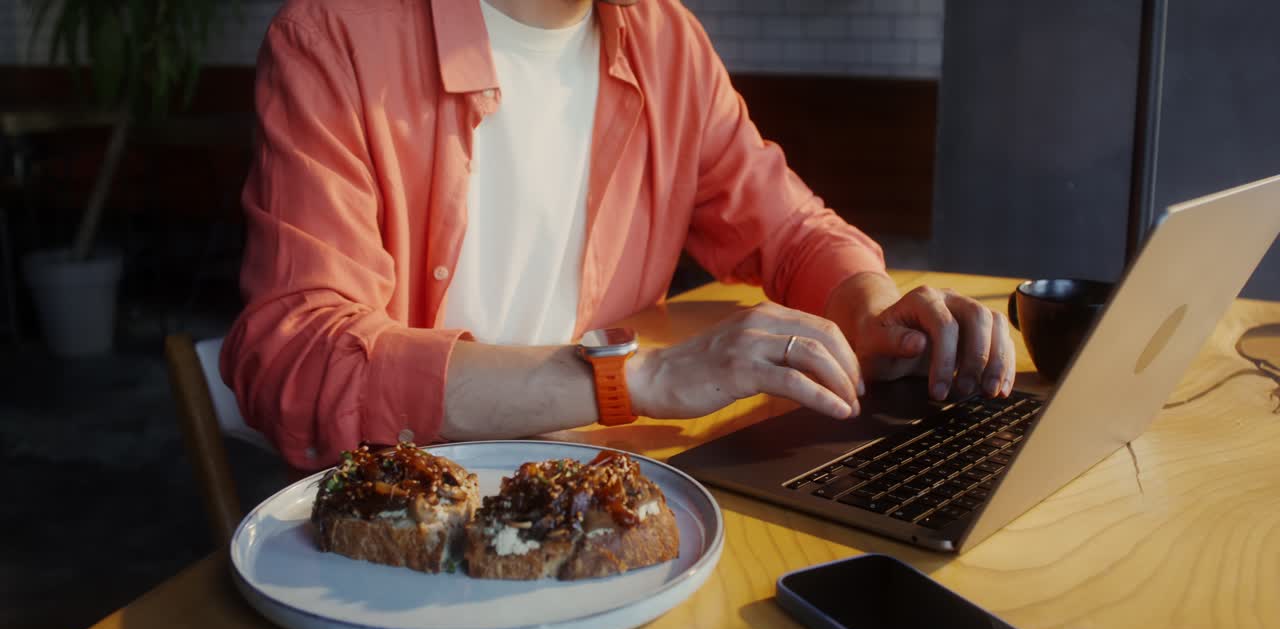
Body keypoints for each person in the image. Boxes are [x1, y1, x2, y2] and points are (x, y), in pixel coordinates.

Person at [221, 0, 1017, 470]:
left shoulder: (665, 39)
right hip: (408, 507)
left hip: (601, 490)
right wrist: (638, 378)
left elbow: (791, 228)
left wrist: (871, 310)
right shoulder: (334, 37)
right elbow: (299, 360)